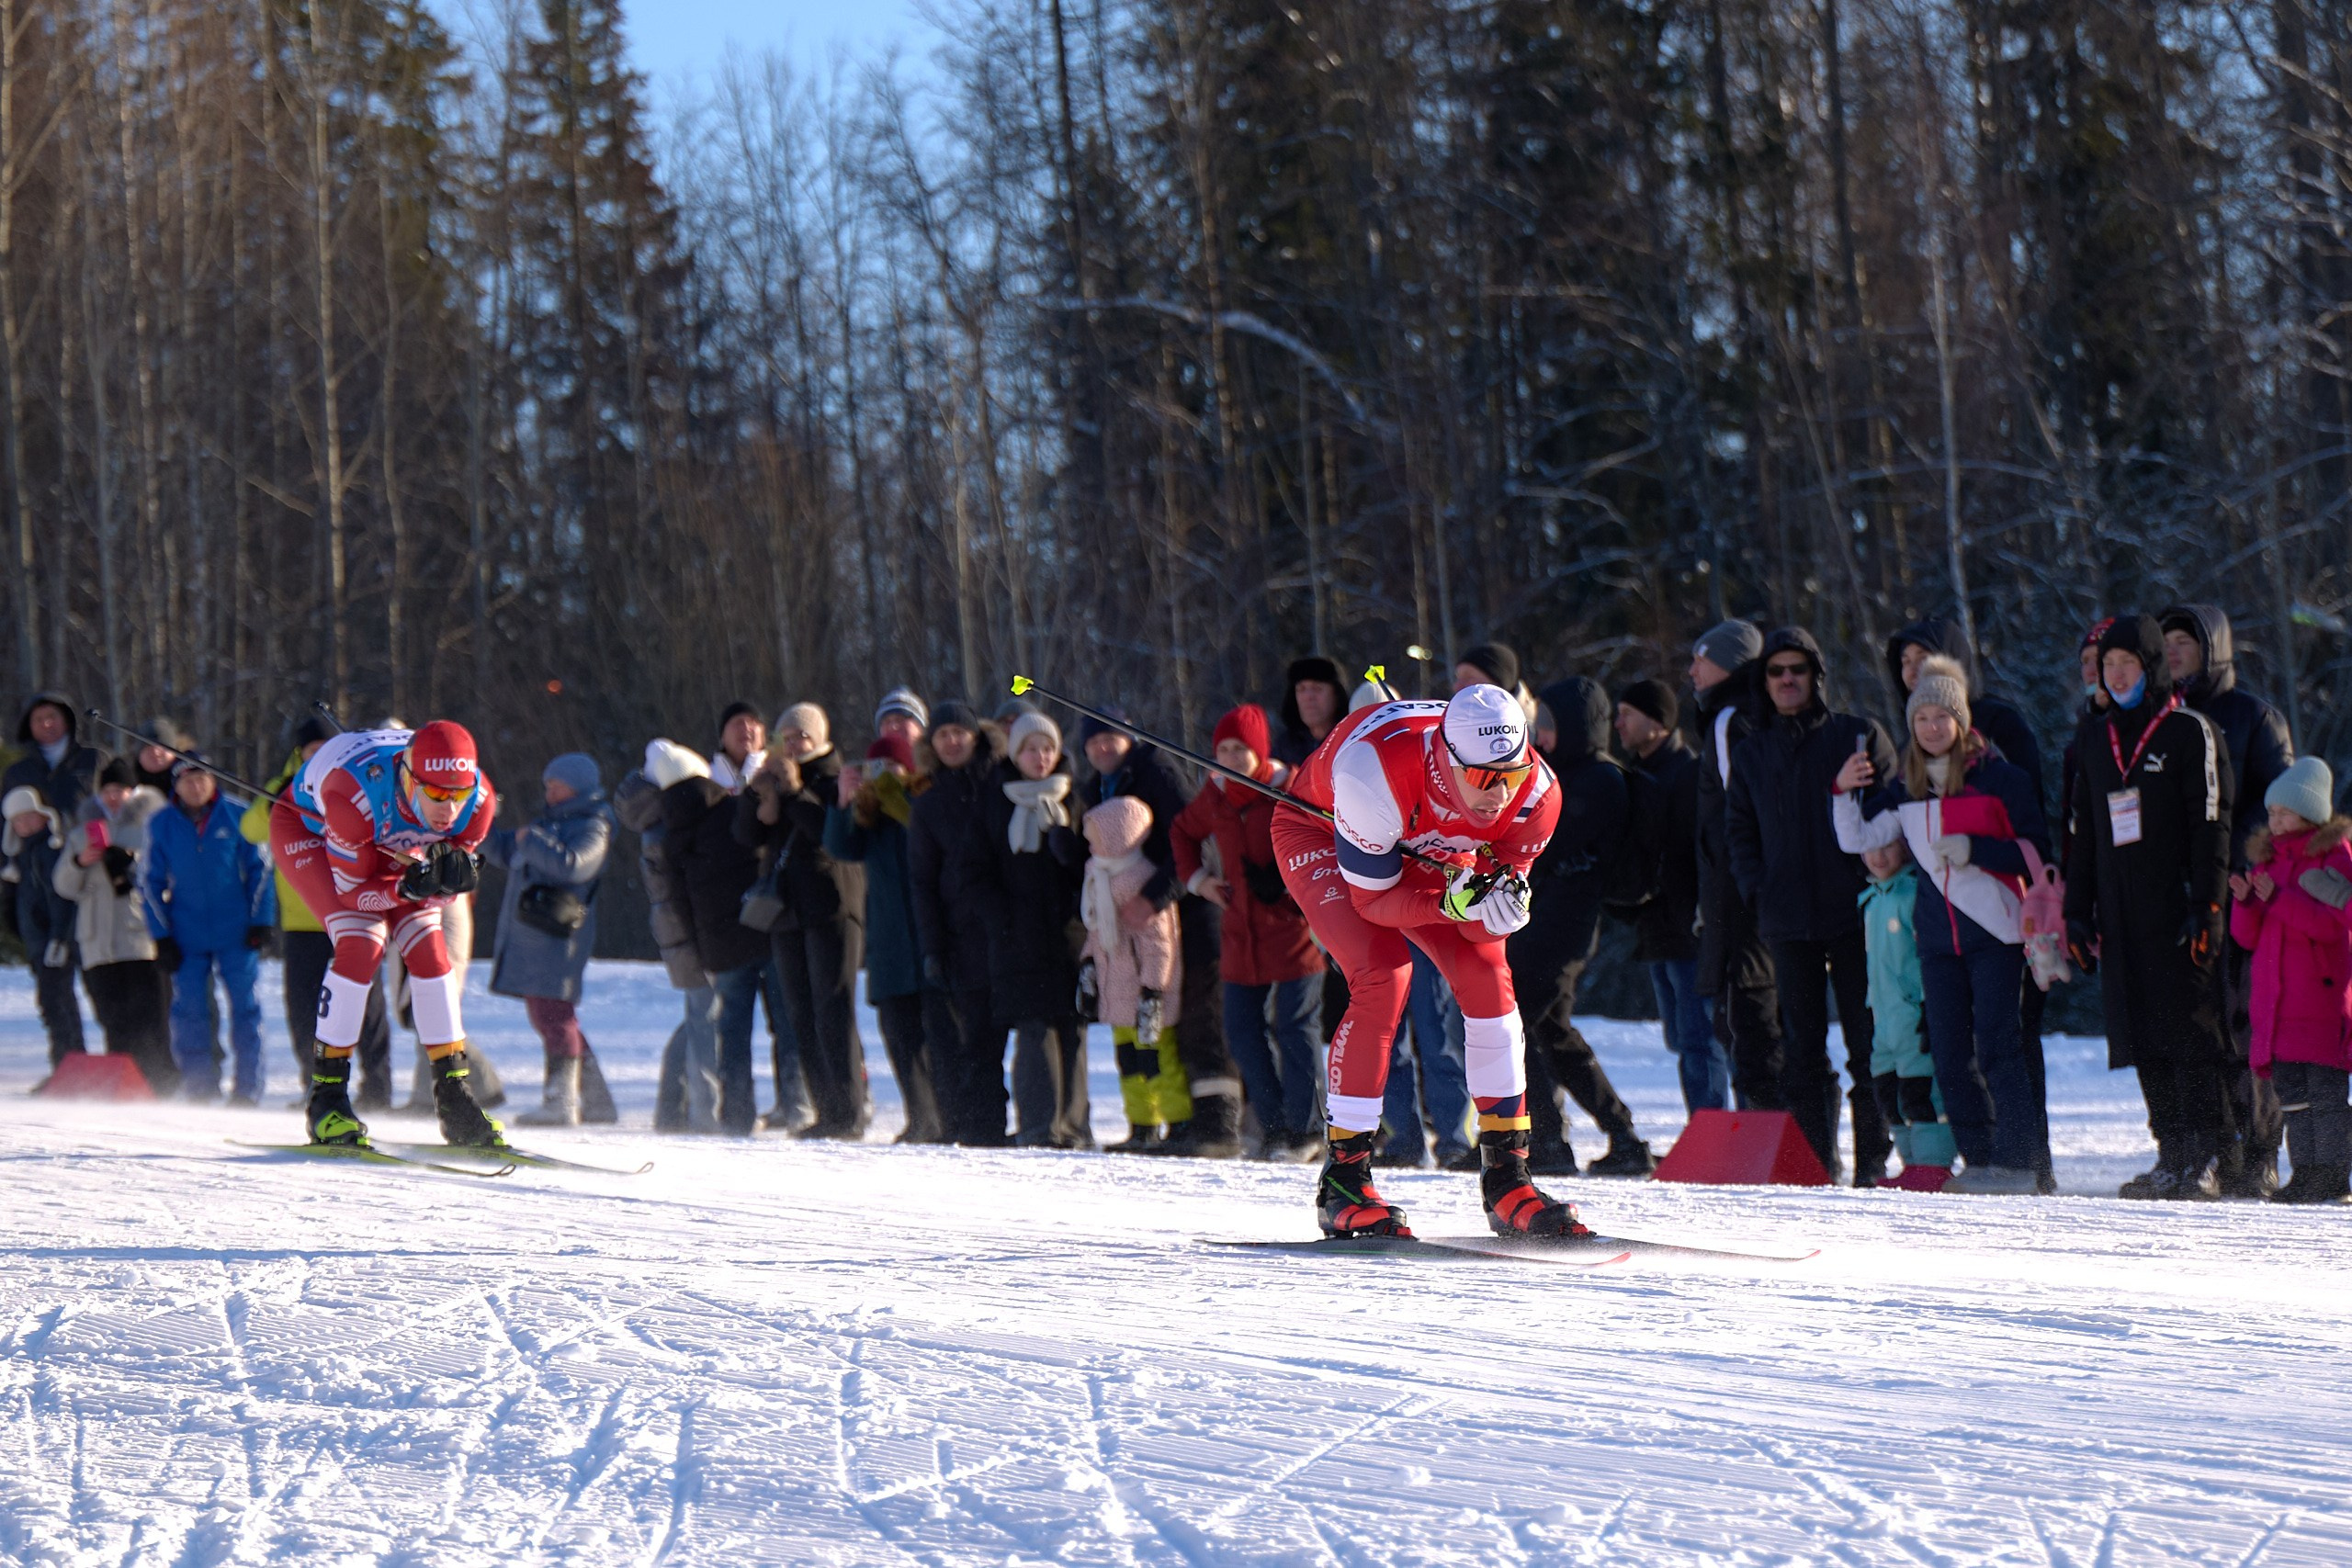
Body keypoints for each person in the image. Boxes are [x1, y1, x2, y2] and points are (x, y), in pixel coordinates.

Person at [1274, 685, 1578, 1240]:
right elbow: (1373, 901)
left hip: (1430, 843)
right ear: (1447, 757)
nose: (1498, 794)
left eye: (1509, 774)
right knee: (1383, 976)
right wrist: (1446, 902)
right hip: (1324, 830)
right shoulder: (1374, 773)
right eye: (1485, 779)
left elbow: (1488, 907)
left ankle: (1507, 1176)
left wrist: (1500, 910)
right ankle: (1344, 1179)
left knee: (1491, 978)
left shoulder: (1537, 794)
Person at [1833, 656, 2052, 1193]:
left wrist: (1979, 850)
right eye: (1922, 719)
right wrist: (1841, 791)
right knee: (1950, 1054)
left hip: (1996, 935)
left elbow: (2037, 855)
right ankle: (1978, 1160)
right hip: (1935, 940)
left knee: (1999, 1047)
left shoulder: (2000, 779)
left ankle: (2019, 1164)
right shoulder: (1907, 789)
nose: (1932, 727)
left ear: (1962, 722)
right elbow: (1856, 840)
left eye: (1942, 717)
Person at [2064, 615, 2236, 1199]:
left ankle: (2206, 1154)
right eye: (2108, 666)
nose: (2116, 675)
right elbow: (2082, 831)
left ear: (2152, 667)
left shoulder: (2190, 731)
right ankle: (2170, 1152)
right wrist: (2076, 910)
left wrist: (2207, 903)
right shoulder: (2095, 736)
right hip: (2121, 913)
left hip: (2181, 910)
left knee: (2189, 1030)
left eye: (2128, 664)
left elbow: (2212, 824)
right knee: (2141, 1033)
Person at [268, 721, 501, 1146]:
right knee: (362, 944)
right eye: (435, 793)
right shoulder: (351, 798)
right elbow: (355, 893)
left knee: (431, 951)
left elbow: (445, 881)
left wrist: (446, 880)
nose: (448, 809)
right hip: (314, 833)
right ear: (410, 778)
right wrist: (406, 887)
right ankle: (327, 1100)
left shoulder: (479, 802)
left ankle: (455, 1098)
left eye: (457, 794)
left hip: (390, 837)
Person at [1725, 626, 1897, 1184]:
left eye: (1798, 669)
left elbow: (1891, 808)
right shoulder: (1750, 750)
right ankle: (1815, 1164)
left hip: (1856, 914)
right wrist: (1757, 889)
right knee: (1801, 1047)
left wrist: (1871, 880)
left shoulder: (1856, 735)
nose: (1787, 680)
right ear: (1764, 681)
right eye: (1776, 671)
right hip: (1786, 919)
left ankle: (1873, 1160)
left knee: (1866, 1042)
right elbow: (1738, 830)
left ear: (1816, 676)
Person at [2161, 604, 2296, 1197]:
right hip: (2181, 896)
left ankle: (2261, 1152)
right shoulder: (2159, 719)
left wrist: (2241, 867)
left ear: (2211, 646)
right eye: (2163, 641)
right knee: (2197, 1030)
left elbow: (2280, 811)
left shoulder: (2255, 717)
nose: (2171, 650)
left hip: (2244, 896)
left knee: (2248, 1028)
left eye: (2183, 640)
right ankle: (2210, 1150)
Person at [1080, 714, 1244, 1157]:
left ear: (1128, 736)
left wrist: (1151, 897)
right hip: (1153, 925)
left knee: (1202, 1020)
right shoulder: (1101, 785)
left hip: (1192, 916)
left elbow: (1192, 846)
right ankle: (1178, 1122)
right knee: (1168, 1029)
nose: (1102, 748)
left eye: (1109, 737)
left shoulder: (1156, 772)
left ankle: (1217, 1126)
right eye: (1093, 742)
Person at [1513, 677, 1653, 1176]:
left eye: (1548, 725)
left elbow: (1552, 848)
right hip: (1544, 925)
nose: (1541, 736)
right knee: (1553, 1032)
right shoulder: (1565, 774)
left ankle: (1547, 1143)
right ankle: (1625, 1138)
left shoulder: (1598, 780)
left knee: (1515, 1026)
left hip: (1563, 929)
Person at [1173, 703, 1325, 1161]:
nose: (1232, 757)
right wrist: (1200, 882)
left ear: (1260, 751)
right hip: (1240, 933)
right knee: (1241, 1031)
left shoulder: (1292, 787)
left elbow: (1324, 836)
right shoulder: (1216, 793)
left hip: (1293, 928)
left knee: (1296, 1028)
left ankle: (1307, 1129)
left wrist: (1292, 879)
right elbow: (1182, 832)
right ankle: (1275, 1125)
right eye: (1223, 749)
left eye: (1241, 749)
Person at [243, 716, 394, 1106]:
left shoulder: (356, 781)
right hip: (302, 919)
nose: (318, 756)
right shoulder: (284, 786)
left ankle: (378, 1085)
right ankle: (316, 1084)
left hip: (357, 912)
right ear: (300, 753)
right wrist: (280, 797)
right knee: (305, 1004)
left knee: (367, 1002)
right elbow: (251, 828)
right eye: (312, 750)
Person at [742, 704, 871, 1140]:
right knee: (800, 1015)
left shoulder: (837, 777)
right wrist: (757, 796)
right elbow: (745, 836)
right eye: (787, 736)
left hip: (831, 907)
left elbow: (829, 833)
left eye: (802, 736)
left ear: (819, 739)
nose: (794, 744)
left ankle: (849, 1113)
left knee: (833, 1009)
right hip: (786, 914)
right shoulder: (773, 780)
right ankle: (826, 1112)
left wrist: (795, 793)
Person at [2229, 756, 2351, 1204]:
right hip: (2277, 1003)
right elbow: (2248, 936)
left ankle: (2333, 1175)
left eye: (2283, 812)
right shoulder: (2268, 860)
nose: (2274, 820)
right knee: (2293, 1095)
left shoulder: (2334, 857)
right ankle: (2307, 1173)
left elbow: (2330, 927)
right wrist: (2245, 903)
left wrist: (2277, 899)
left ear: (2310, 812)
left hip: (2319, 999)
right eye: (2271, 813)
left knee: (2324, 1091)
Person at [484, 752, 617, 1127]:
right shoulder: (549, 823)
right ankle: (596, 1100)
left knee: (554, 1015)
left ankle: (560, 1102)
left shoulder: (595, 824)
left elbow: (576, 865)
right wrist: (481, 822)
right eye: (548, 785)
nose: (550, 792)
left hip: (561, 938)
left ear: (577, 785)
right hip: (537, 937)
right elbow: (503, 849)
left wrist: (532, 841)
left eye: (556, 785)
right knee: (551, 1014)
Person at [827, 734, 948, 1144]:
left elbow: (930, 835)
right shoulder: (870, 814)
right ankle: (921, 1117)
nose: (886, 775)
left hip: (931, 936)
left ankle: (946, 1117)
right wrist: (844, 804)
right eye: (877, 768)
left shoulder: (925, 801)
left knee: (940, 1034)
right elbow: (841, 847)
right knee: (899, 1034)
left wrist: (900, 799)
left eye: (893, 766)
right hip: (890, 942)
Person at [1614, 679, 1725, 1113]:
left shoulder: (1689, 775)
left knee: (1700, 1037)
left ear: (1658, 722)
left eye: (1629, 713)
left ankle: (1715, 1132)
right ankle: (1707, 1129)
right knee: (1682, 1038)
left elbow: (1699, 854)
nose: (1619, 723)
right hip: (1657, 927)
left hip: (1689, 928)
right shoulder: (1640, 776)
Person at [984, 712, 1091, 1147]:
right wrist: (1001, 918)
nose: (1041, 757)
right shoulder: (995, 800)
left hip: (1067, 936)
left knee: (1073, 1030)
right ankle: (1039, 1126)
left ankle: (1075, 1126)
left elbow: (1094, 864)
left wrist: (1072, 856)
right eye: (1031, 748)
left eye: (1047, 748)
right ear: (1016, 753)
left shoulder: (1075, 799)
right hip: (1017, 940)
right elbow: (973, 869)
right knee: (1033, 1033)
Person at [1690, 620, 1784, 1113]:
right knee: (1754, 1022)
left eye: (1700, 660)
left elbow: (1736, 810)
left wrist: (1731, 890)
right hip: (1750, 894)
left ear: (1726, 664)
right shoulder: (1748, 715)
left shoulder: (1729, 720)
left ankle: (1769, 1133)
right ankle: (1776, 1129)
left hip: (1740, 899)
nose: (1692, 671)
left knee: (1747, 1021)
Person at [910, 702, 1014, 1144]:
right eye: (943, 735)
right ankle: (982, 1128)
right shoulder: (929, 802)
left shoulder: (1006, 782)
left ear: (977, 736)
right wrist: (933, 949)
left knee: (1028, 1030)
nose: (953, 741)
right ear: (932, 745)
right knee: (976, 1039)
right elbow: (923, 883)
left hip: (1015, 926)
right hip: (962, 936)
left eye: (960, 732)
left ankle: (1051, 1121)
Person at [661, 734, 773, 1137]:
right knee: (774, 1027)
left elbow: (677, 895)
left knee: (718, 1029)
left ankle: (722, 1112)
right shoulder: (718, 811)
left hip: (713, 942)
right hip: (752, 932)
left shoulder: (666, 822)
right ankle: (785, 1105)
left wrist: (696, 941)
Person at [144, 758, 276, 1104]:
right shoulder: (162, 824)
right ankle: (200, 1088)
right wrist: (161, 935)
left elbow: (261, 869)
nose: (196, 787)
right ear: (176, 786)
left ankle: (248, 1091)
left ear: (213, 781)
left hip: (236, 931)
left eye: (203, 779)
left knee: (246, 1009)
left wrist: (261, 920)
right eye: (188, 781)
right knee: (190, 1011)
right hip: (186, 935)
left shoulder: (238, 814)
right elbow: (149, 882)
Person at [619, 741, 722, 1134]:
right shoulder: (673, 824)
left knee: (698, 1017)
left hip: (678, 931)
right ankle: (702, 1114)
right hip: (693, 931)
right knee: (704, 1018)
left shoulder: (654, 819)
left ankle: (671, 1109)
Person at [53, 761, 174, 1089]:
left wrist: (130, 861)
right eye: (106, 791)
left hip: (140, 943)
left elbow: (168, 877)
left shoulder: (152, 828)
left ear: (132, 792)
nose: (113, 797)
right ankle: (124, 1086)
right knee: (113, 1020)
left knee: (151, 1020)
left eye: (119, 790)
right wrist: (80, 863)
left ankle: (161, 1085)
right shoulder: (81, 833)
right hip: (98, 946)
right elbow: (63, 884)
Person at [1081, 794, 1189, 1147]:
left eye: (1095, 833)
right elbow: (1097, 932)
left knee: (1157, 1060)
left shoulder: (1139, 880)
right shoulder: (1098, 875)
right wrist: (1088, 966)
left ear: (1118, 835)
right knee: (1128, 1062)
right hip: (1116, 993)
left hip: (1143, 995)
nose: (1088, 839)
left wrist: (1153, 991)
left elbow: (1159, 942)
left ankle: (1174, 1122)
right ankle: (1141, 1124)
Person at [1851, 838, 1955, 1182]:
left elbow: (1928, 955)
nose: (1878, 857)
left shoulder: (1912, 895)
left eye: (1887, 847)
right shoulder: (1870, 901)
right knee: (1888, 1091)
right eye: (1871, 847)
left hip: (1912, 1014)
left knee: (1920, 1090)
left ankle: (1933, 1163)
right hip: (1884, 1019)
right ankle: (1912, 1163)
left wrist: (1929, 1005)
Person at [3, 783, 86, 1066]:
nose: (26, 824)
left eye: (30, 816)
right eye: (19, 820)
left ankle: (71, 1062)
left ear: (43, 816)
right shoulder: (19, 858)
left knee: (59, 1004)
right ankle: (64, 1063)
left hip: (54, 942)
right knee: (51, 1005)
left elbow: (60, 898)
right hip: (39, 942)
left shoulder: (49, 850)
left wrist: (59, 938)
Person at [5, 693, 107, 823]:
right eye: (38, 719)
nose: (46, 724)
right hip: (36, 843)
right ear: (29, 726)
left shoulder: (95, 759)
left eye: (52, 716)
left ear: (67, 720)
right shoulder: (16, 773)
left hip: (88, 840)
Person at [1274, 656, 1348, 767]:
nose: (1308, 697)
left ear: (1337, 694)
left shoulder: (1350, 739)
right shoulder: (1283, 749)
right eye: (1301, 689)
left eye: (1317, 688)